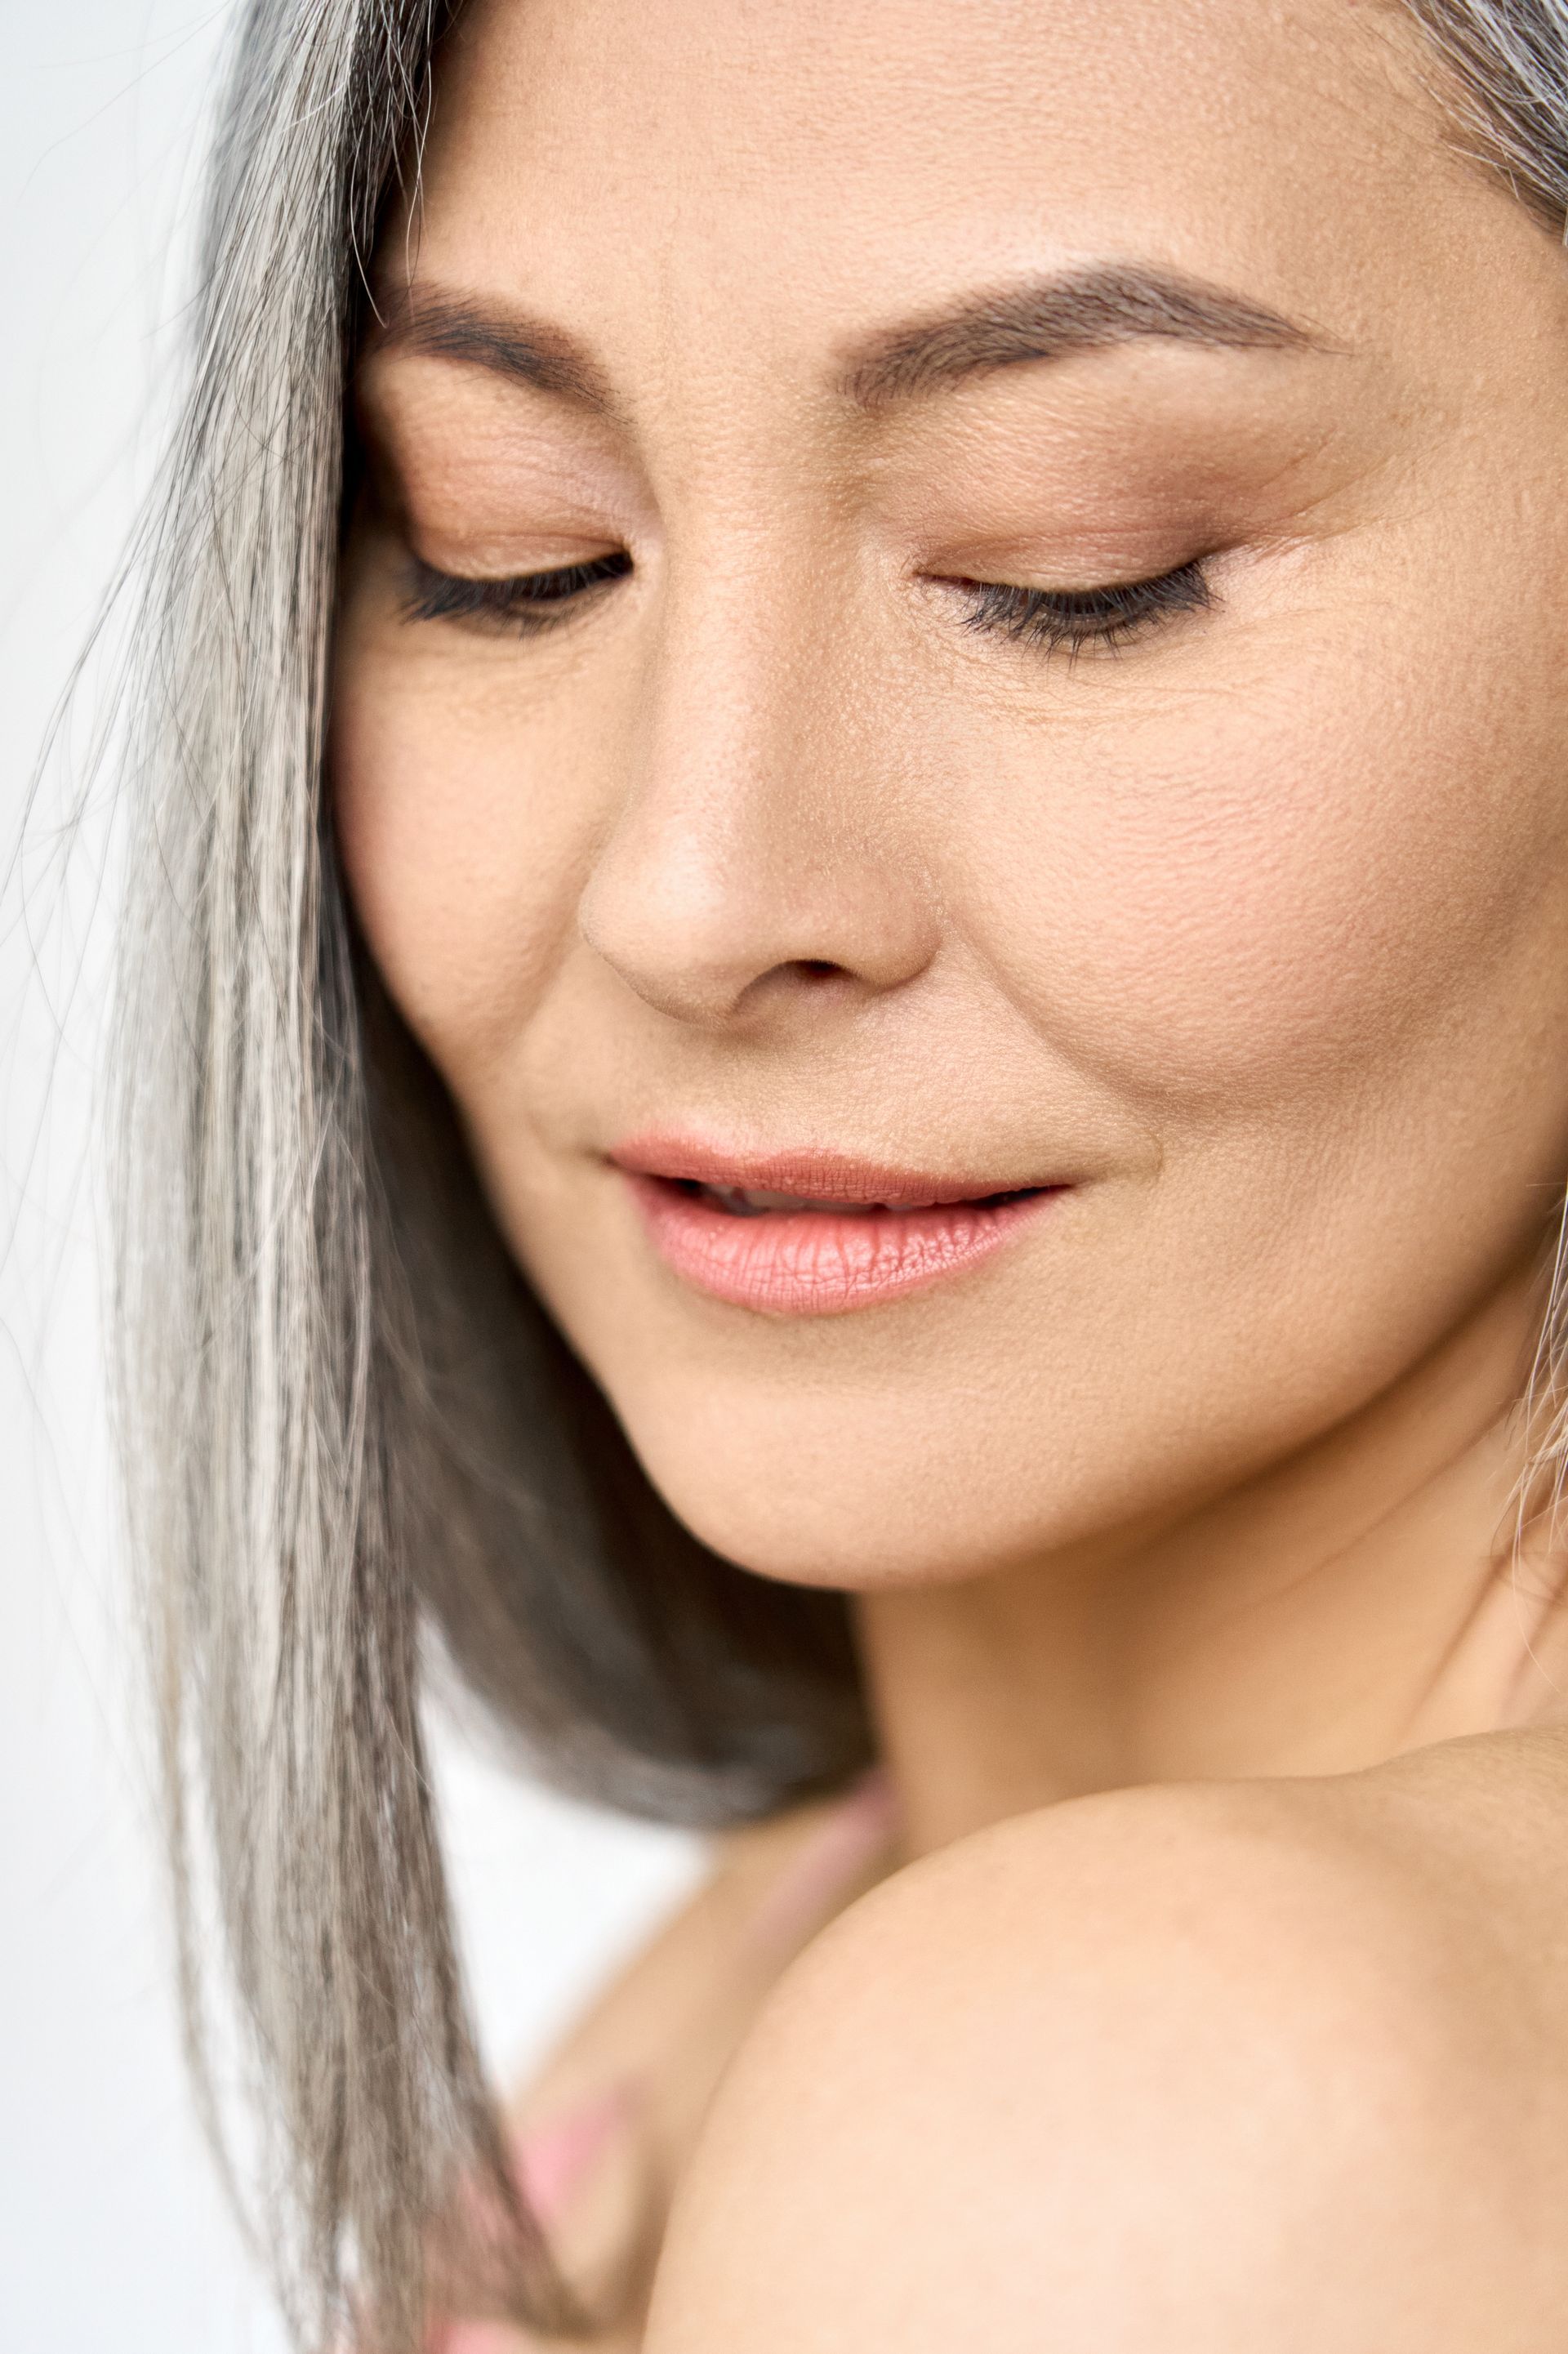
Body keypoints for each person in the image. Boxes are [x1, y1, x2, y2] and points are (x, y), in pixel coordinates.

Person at [112, 0, 1568, 2345]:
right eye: (513, 552)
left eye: (1079, 566)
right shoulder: (759, 1973)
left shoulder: (1134, 2119)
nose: (694, 889)